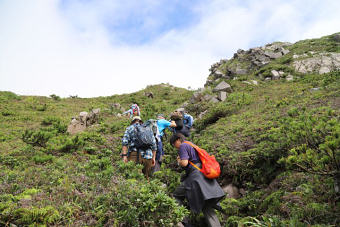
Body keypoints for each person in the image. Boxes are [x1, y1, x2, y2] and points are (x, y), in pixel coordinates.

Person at [170, 133, 225, 227]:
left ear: (178, 140)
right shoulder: (191, 144)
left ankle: (185, 222)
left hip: (195, 178)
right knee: (206, 206)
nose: (175, 147)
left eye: (174, 144)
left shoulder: (183, 146)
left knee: (176, 195)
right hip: (203, 175)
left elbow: (184, 163)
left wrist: (179, 161)